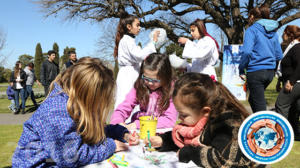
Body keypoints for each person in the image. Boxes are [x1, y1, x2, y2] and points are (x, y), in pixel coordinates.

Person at [12, 57, 139, 167]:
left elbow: (89, 131)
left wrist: (119, 132)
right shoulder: (56, 112)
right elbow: (71, 157)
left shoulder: (73, 104)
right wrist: (112, 146)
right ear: (89, 96)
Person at [144, 73, 263, 167]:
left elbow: (223, 161)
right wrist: (163, 140)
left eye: (183, 115)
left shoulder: (227, 124)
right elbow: (187, 134)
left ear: (205, 111)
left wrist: (189, 152)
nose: (180, 119)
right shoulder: (203, 116)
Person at [111, 53, 178, 130]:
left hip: (160, 131)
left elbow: (169, 120)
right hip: (139, 131)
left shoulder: (171, 90)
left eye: (155, 80)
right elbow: (124, 107)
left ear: (166, 76)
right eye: (146, 78)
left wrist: (138, 124)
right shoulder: (140, 86)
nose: (150, 83)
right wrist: (117, 122)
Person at [238, 6, 283, 112]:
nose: (248, 19)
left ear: (252, 17)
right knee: (253, 100)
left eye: (249, 16)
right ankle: (257, 124)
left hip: (255, 72)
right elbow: (279, 55)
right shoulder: (274, 32)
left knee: (260, 107)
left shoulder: (251, 30)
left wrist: (241, 69)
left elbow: (247, 52)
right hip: (270, 73)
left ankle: (264, 126)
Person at [114, 12, 160, 109]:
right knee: (126, 100)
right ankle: (122, 122)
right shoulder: (126, 40)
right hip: (128, 75)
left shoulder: (129, 41)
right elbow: (139, 55)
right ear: (129, 26)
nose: (139, 28)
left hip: (131, 73)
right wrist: (153, 42)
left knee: (132, 100)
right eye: (137, 25)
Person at [275, 25, 300, 140]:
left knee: (281, 104)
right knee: (294, 108)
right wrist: (280, 81)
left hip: (295, 82)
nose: (282, 35)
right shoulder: (291, 47)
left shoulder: (297, 47)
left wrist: (291, 81)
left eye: (284, 33)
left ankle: (282, 135)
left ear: (289, 35)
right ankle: (294, 133)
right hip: (291, 81)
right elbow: (286, 66)